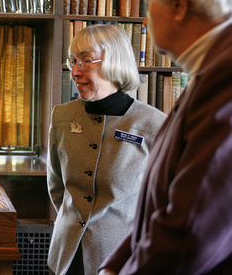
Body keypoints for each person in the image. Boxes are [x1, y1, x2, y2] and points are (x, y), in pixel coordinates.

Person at [98, 0, 232, 274]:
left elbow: (190, 232)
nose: (145, 18)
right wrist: (114, 267)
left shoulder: (225, 75)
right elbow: (158, 210)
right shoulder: (210, 69)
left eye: (147, 1)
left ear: (178, 5)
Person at [47, 24, 166, 275]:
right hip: (65, 257)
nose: (75, 71)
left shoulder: (154, 125)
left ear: (114, 61)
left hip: (120, 261)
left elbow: (162, 204)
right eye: (73, 61)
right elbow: (57, 187)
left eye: (86, 61)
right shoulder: (62, 116)